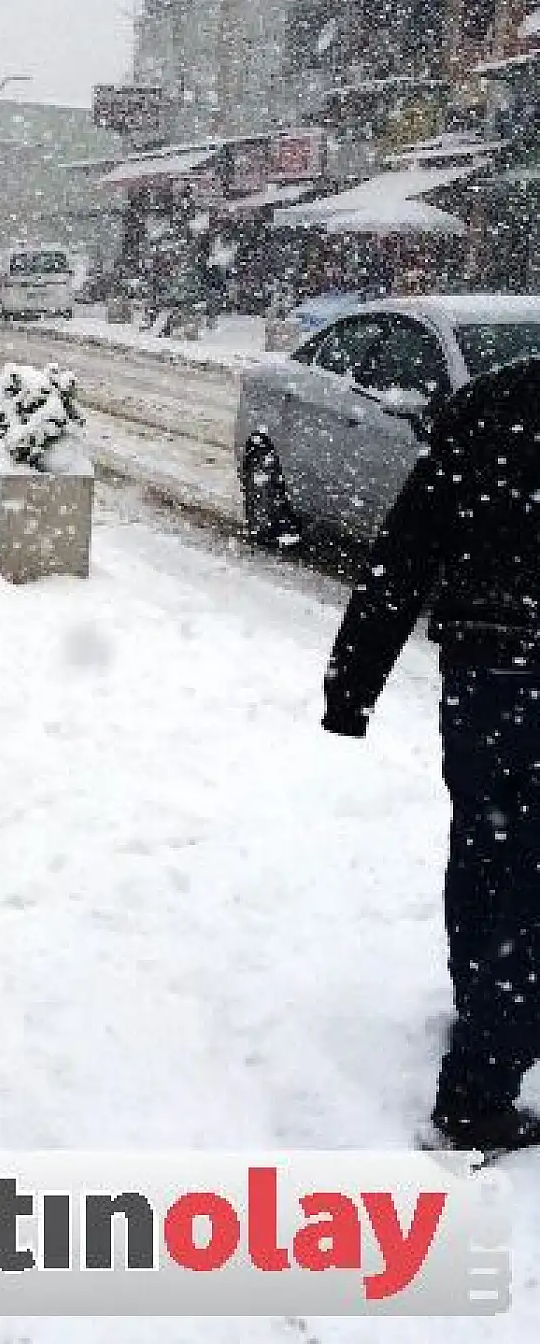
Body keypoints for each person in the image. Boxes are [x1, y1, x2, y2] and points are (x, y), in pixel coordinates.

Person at [322, 357, 540, 1152]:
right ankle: (479, 1088)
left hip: (482, 678)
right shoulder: (491, 409)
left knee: (484, 846)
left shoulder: (488, 407)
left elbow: (403, 551)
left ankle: (484, 1000)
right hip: (505, 664)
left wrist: (353, 683)